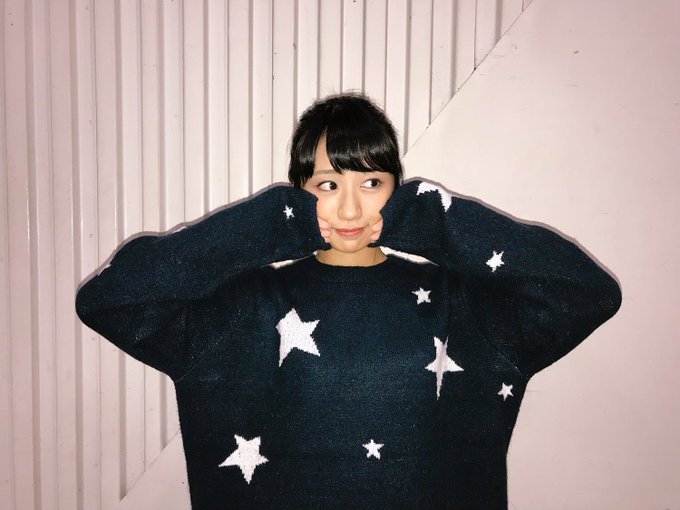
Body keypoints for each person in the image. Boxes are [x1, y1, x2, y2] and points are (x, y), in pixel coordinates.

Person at [76, 93, 621, 509]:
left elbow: (586, 292)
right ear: (298, 193)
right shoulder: (245, 309)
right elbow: (110, 300)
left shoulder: (459, 306)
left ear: (397, 190)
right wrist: (270, 225)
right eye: (328, 185)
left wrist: (431, 221)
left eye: (372, 183)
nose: (351, 209)